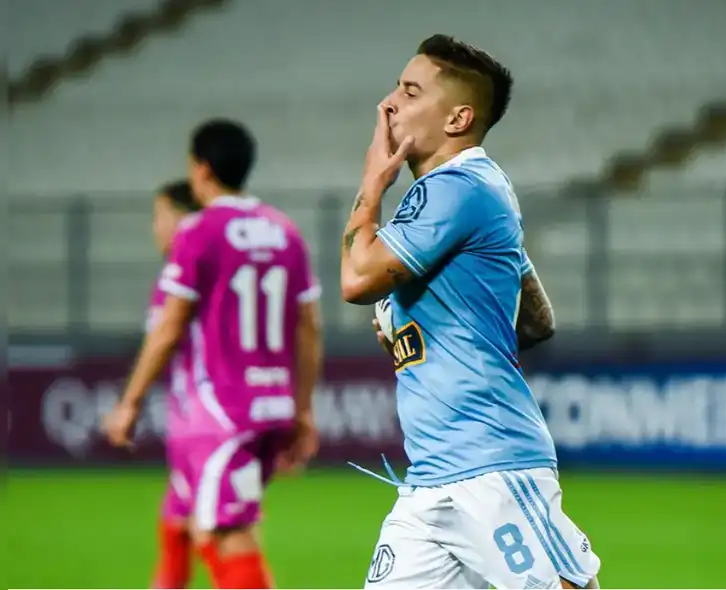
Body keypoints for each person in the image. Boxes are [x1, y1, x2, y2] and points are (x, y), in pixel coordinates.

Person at [340, 34, 601, 590]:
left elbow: (356, 277)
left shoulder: (457, 188)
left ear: (458, 118)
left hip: (492, 468)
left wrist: (371, 180)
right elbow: (537, 321)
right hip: (432, 481)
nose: (388, 104)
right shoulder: (474, 191)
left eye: (410, 92)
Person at [104, 119, 323, 589]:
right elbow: (310, 330)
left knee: (229, 535)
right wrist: (303, 409)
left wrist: (130, 401)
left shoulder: (199, 232)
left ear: (201, 168)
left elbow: (169, 328)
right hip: (271, 405)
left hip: (220, 414)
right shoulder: (285, 231)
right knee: (192, 520)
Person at [146, 179, 202, 589]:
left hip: (205, 427)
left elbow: (166, 340)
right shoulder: (174, 275)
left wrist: (129, 401)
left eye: (159, 216)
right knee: (176, 534)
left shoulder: (193, 272)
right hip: (186, 426)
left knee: (223, 540)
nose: (155, 227)